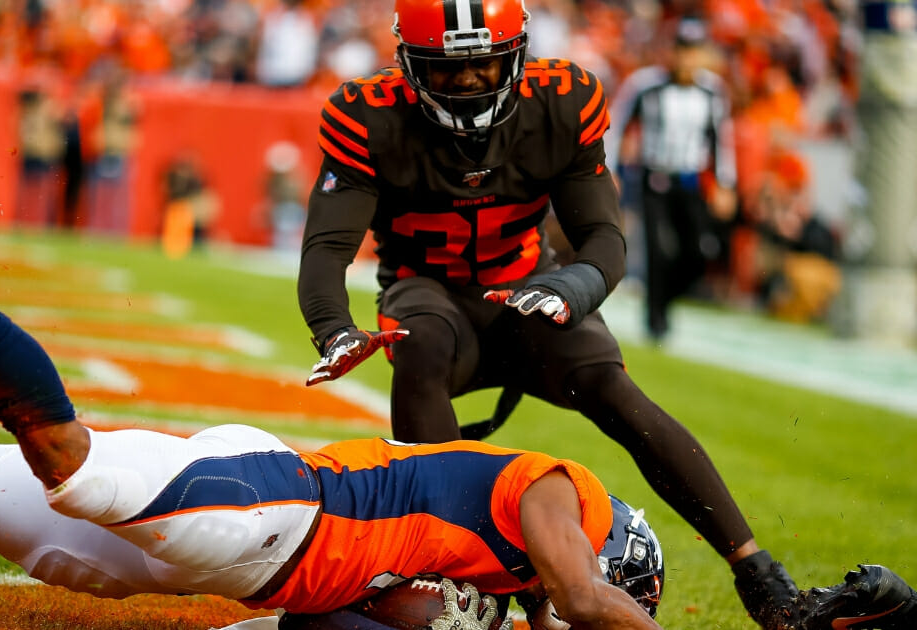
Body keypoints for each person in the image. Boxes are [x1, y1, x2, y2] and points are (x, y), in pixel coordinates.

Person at [0, 132, 666, 630]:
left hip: (248, 570)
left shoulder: (499, 576)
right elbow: (581, 601)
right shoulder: (557, 493)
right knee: (71, 465)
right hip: (278, 509)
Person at [295, 2, 784, 627]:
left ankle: (760, 574)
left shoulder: (561, 99)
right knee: (417, 343)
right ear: (408, 65)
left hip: (529, 287)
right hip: (429, 294)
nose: (470, 83)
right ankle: (448, 572)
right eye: (448, 71)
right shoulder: (369, 115)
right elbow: (326, 250)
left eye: (485, 64)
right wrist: (335, 330)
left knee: (610, 386)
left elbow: (604, 237)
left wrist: (572, 289)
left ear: (519, 53)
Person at [604, 18, 739, 341]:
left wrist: (725, 183)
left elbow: (721, 139)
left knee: (697, 252)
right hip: (654, 179)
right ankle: (656, 321)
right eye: (681, 50)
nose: (686, 59)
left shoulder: (712, 91)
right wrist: (610, 170)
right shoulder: (646, 85)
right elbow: (617, 125)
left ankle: (663, 300)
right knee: (658, 250)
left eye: (692, 51)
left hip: (689, 181)